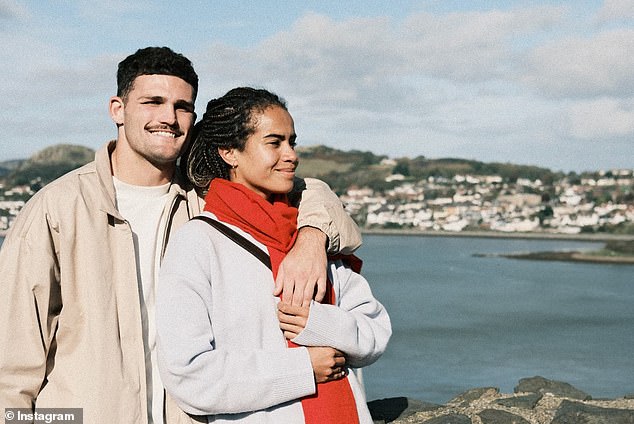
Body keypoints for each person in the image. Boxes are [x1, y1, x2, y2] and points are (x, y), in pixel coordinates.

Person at [0, 48, 362, 424]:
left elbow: (312, 192)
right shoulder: (56, 209)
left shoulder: (209, 200)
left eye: (182, 106)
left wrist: (311, 237)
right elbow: (11, 362)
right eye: (152, 102)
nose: (168, 118)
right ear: (117, 110)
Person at [156, 87, 391, 423]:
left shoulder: (314, 233)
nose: (291, 154)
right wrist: (303, 367)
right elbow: (190, 377)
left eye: (292, 142)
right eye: (274, 142)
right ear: (229, 152)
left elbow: (376, 331)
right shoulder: (198, 243)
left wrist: (320, 324)